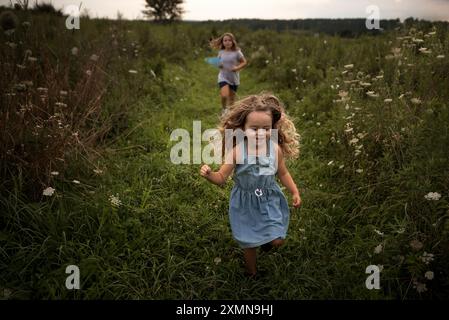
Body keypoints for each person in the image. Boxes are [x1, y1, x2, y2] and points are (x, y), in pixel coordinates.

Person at [199, 93, 301, 277]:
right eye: (254, 128)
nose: (261, 133)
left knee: (278, 240)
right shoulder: (237, 151)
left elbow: (283, 172)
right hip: (244, 201)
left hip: (269, 198)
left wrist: (294, 191)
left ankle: (267, 241)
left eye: (266, 128)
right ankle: (252, 273)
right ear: (243, 128)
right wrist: (209, 175)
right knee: (249, 242)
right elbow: (222, 177)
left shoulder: (274, 149)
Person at [209, 33, 247, 111]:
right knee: (224, 95)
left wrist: (237, 68)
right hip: (223, 77)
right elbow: (218, 62)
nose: (227, 42)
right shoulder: (221, 52)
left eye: (229, 40)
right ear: (222, 42)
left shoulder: (237, 52)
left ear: (233, 41)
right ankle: (224, 110)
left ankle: (230, 115)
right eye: (225, 40)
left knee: (232, 101)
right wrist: (218, 64)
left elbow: (244, 62)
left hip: (233, 79)